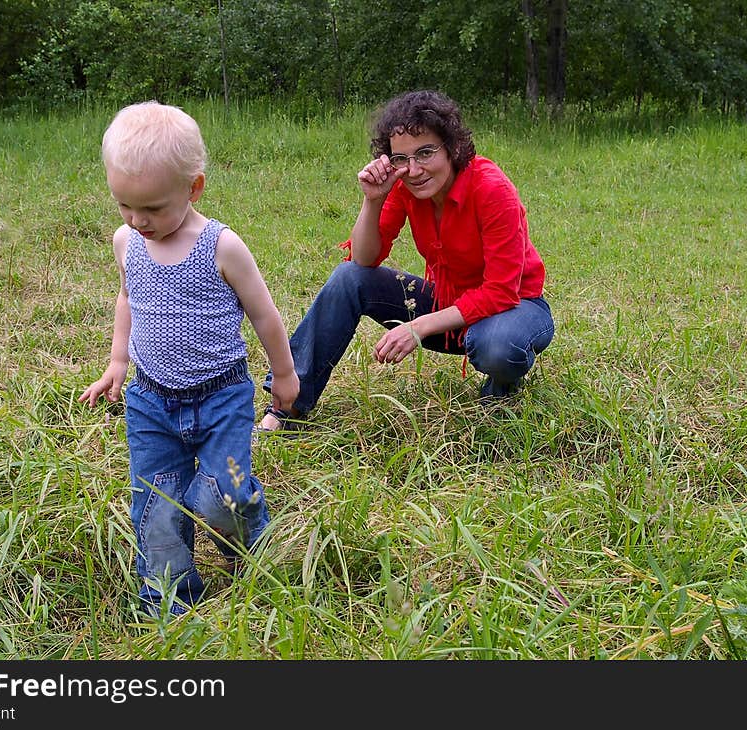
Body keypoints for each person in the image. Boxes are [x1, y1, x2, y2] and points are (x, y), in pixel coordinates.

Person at [80, 101, 299, 616]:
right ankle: (167, 599)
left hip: (221, 396)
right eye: (124, 206)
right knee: (156, 504)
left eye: (153, 208)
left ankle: (250, 540)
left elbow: (264, 315)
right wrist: (118, 360)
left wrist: (285, 375)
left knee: (221, 493)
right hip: (151, 401)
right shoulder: (127, 242)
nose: (138, 220)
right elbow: (128, 297)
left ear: (193, 188)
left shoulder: (221, 247)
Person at [258, 89, 553, 432]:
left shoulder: (491, 189)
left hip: (516, 307)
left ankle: (501, 387)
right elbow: (365, 260)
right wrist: (373, 201)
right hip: (450, 304)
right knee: (348, 278)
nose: (413, 170)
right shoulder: (405, 187)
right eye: (401, 159)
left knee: (497, 345)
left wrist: (417, 327)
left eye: (425, 153)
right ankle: (289, 403)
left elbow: (501, 292)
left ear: (452, 148)